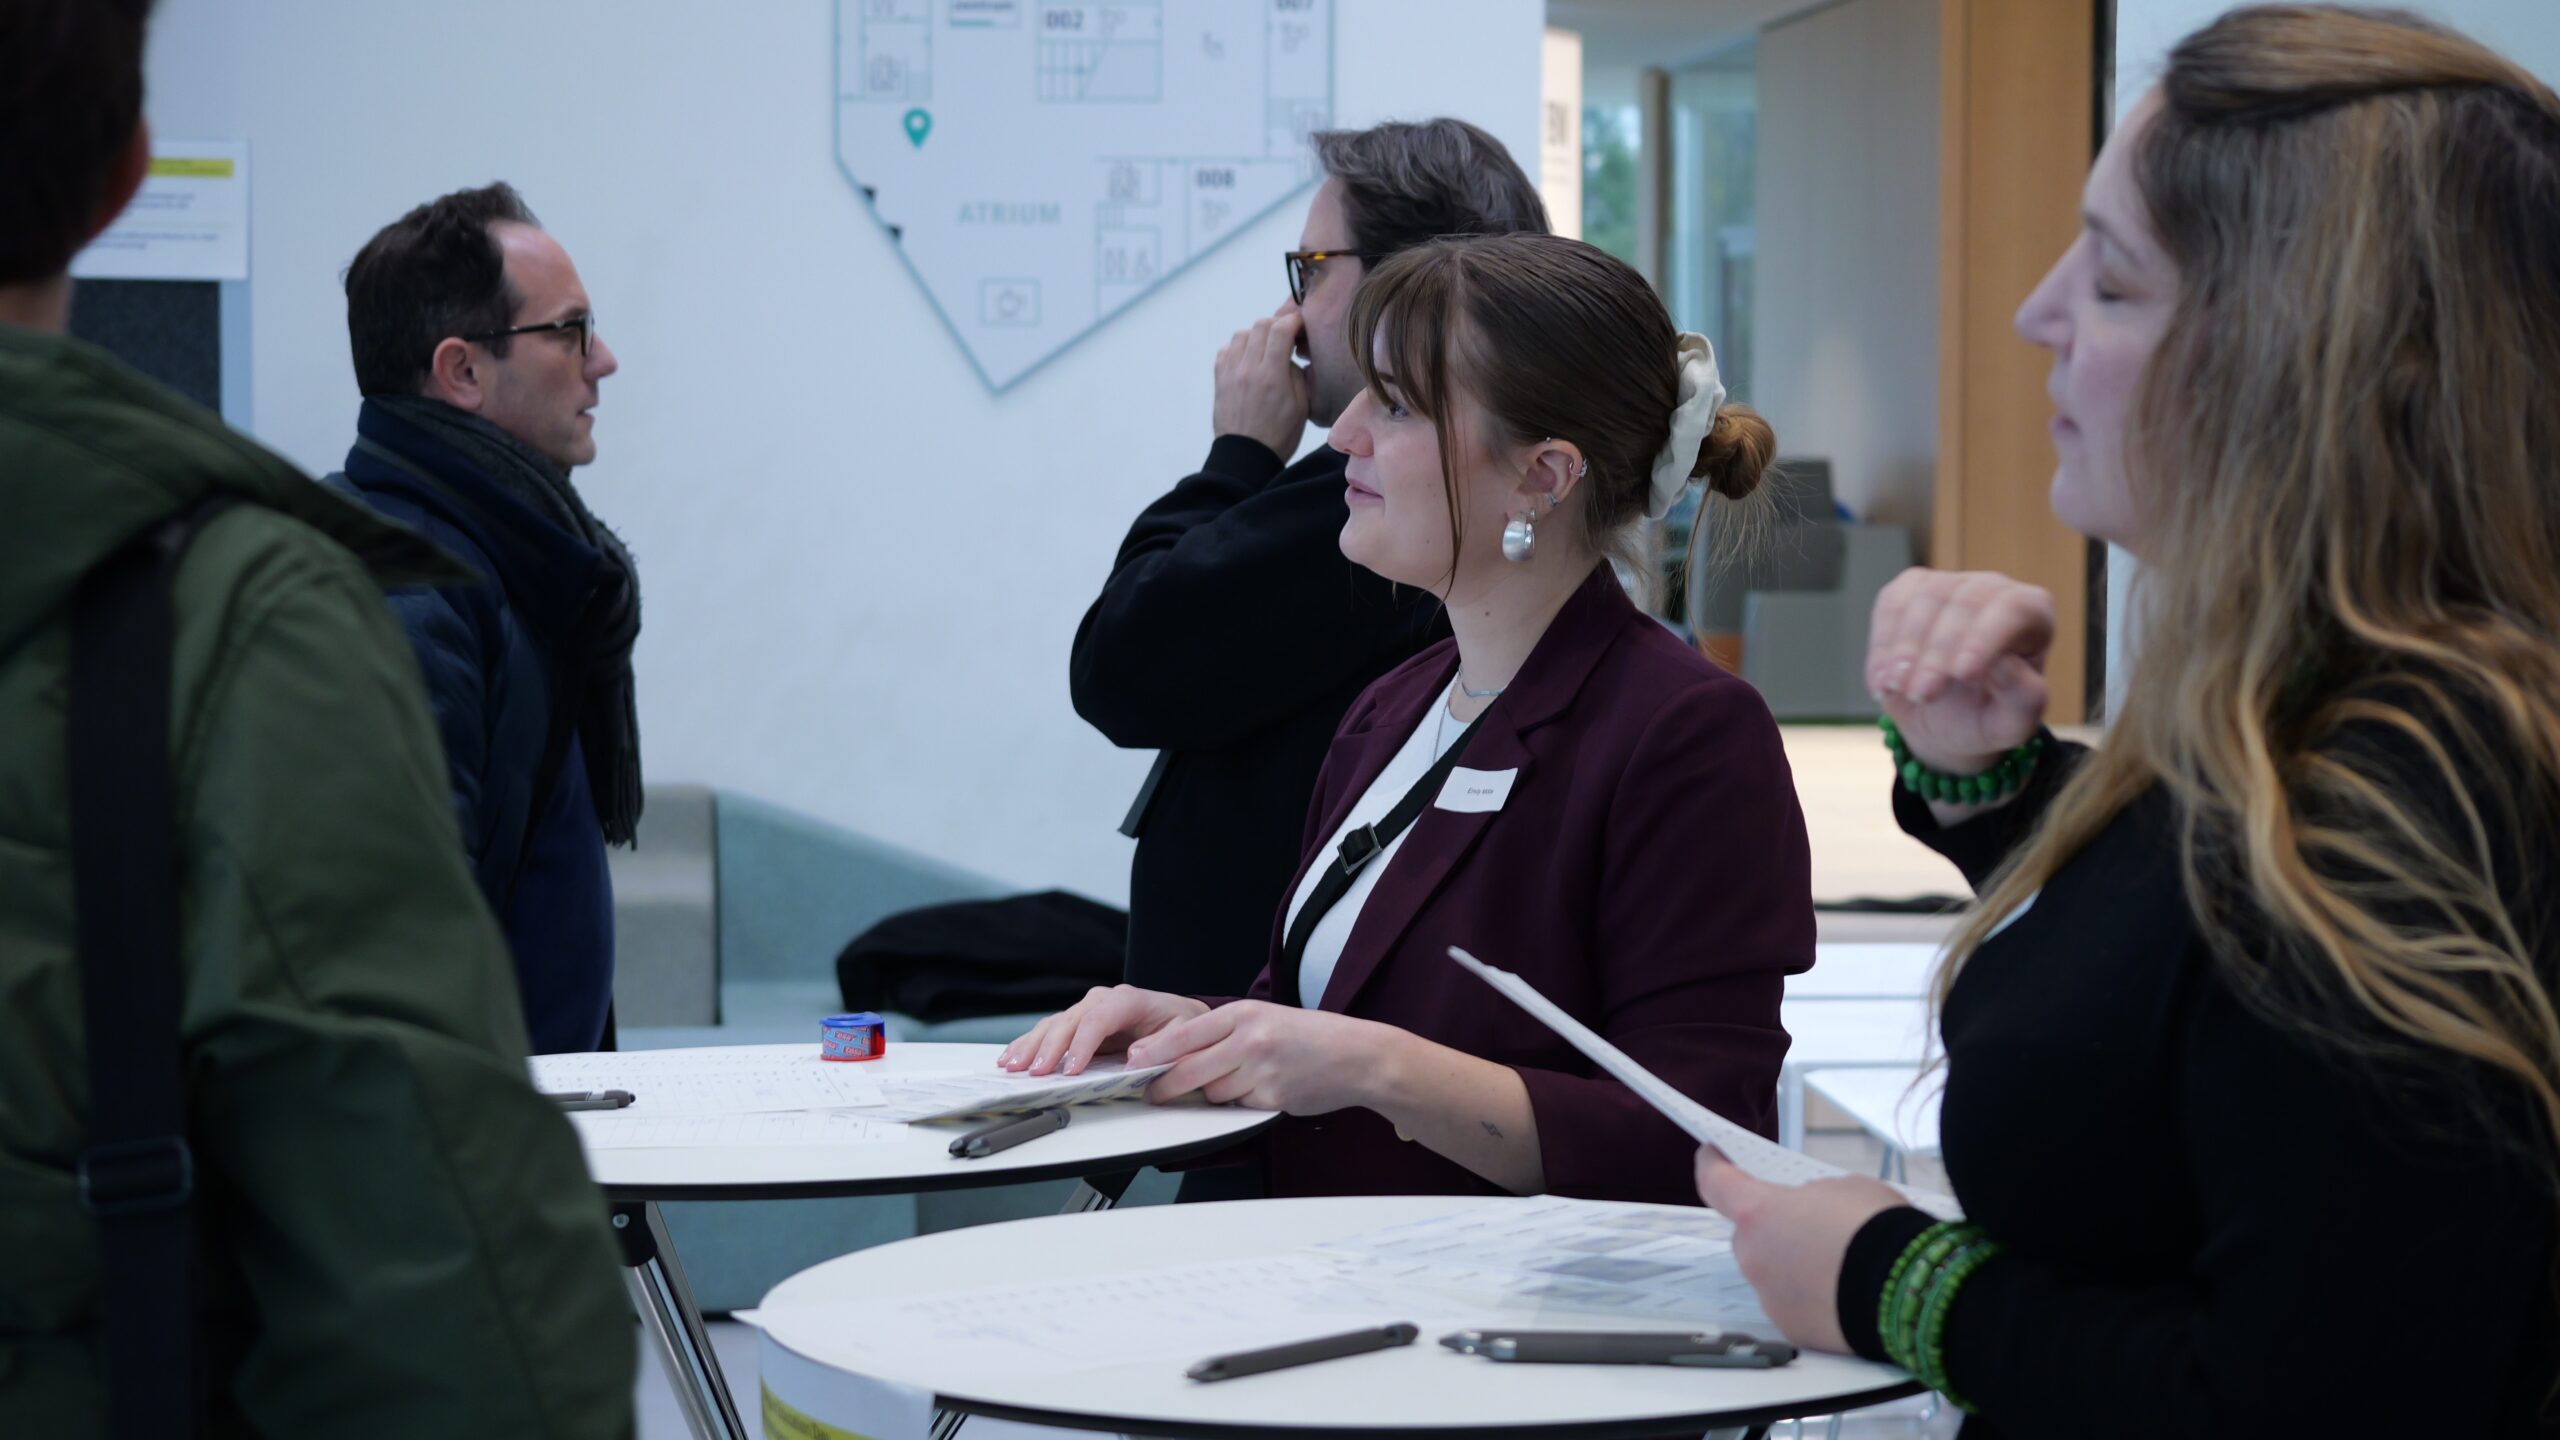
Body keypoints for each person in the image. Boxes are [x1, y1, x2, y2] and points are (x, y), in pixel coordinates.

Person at [1697, 7, 2560, 1434]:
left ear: (2291, 359)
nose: (2037, 313)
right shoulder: (2326, 716)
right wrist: (1997, 782)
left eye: (2110, 279)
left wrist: (1893, 1282)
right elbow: (2202, 993)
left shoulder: (2406, 813)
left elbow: (2313, 1400)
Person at [0, 0, 633, 1432]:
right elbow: (413, 1213)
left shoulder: (493, 577)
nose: (606, 362)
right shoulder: (315, 606)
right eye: (574, 331)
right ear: (123, 169)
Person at [1013, 232, 1814, 1205]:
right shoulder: (1391, 709)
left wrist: (1372, 1065)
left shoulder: (1686, 734)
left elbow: (1698, 1142)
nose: (1342, 435)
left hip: (1523, 1296)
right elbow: (1319, 1025)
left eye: (1394, 404)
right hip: (1333, 1272)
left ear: (1543, 475)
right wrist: (1183, 1031)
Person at [1070, 119, 1548, 1005]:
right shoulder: (1421, 493)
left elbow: (1121, 664)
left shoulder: (1381, 503)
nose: (1288, 313)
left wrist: (1237, 458)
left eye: (1312, 270)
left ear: (1407, 283)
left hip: (1278, 1041)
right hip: (1270, 1020)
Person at [329, 183, 640, 1055]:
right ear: (463, 372)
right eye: (570, 331)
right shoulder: (403, 592)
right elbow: (397, 966)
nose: (604, 360)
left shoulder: (511, 564)